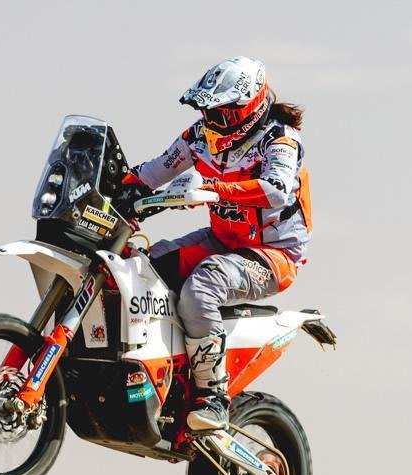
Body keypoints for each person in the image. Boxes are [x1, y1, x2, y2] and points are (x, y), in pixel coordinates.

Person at [120, 57, 312, 431]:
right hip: (223, 240)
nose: (213, 121)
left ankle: (213, 396)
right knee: (142, 269)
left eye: (222, 114)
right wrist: (113, 190)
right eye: (209, 112)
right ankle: (162, 377)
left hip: (273, 255)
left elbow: (275, 189)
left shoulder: (280, 139)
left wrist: (214, 188)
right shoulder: (198, 137)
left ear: (250, 109)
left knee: (202, 286)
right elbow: (153, 172)